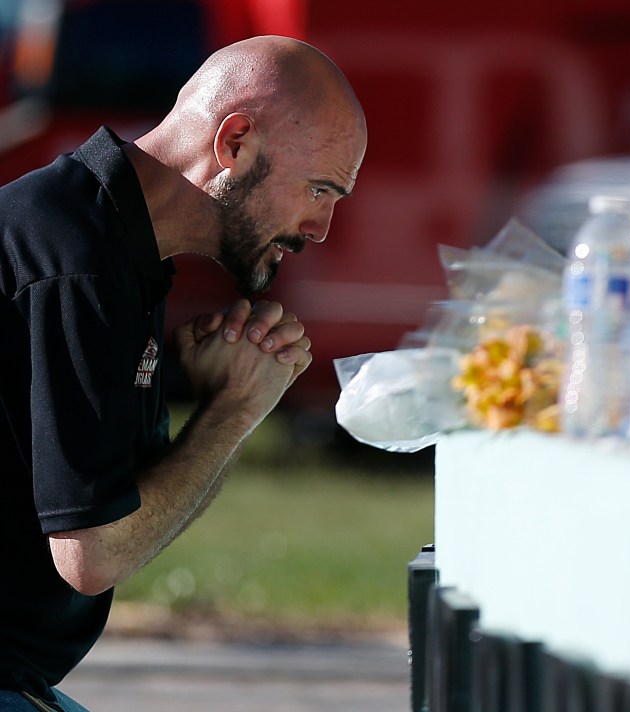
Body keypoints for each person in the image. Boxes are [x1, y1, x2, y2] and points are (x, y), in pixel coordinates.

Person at [0, 35, 367, 710]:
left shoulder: (120, 248)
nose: (321, 227)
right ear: (235, 143)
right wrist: (234, 412)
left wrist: (226, 406)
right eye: (320, 189)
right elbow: (94, 557)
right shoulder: (72, 259)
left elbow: (132, 519)